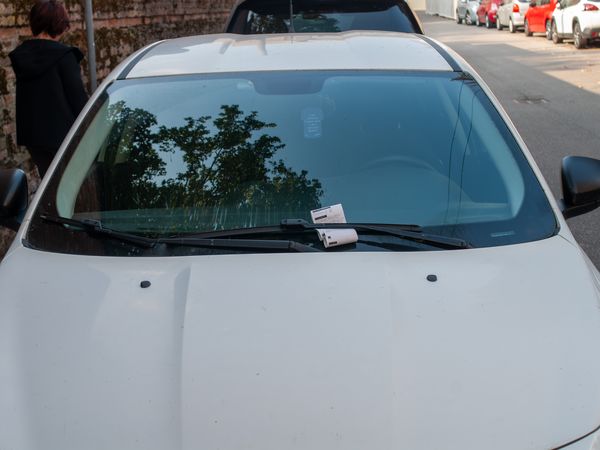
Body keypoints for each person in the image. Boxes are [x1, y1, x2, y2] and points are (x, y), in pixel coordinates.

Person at [9, 0, 88, 178]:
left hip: (34, 137)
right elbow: (78, 101)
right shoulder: (64, 56)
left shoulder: (22, 56)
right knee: (72, 184)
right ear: (59, 24)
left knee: (49, 181)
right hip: (64, 137)